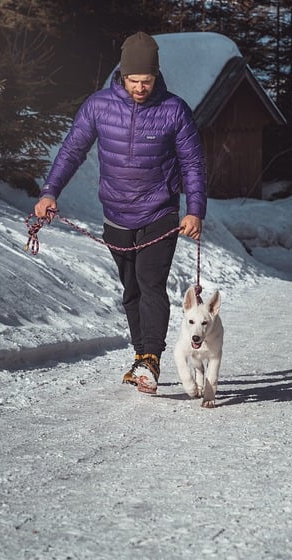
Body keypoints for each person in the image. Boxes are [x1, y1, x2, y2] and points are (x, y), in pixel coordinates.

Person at [34, 31, 207, 394]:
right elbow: (72, 150)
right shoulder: (98, 106)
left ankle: (150, 360)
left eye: (146, 81)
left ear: (156, 76)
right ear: (122, 75)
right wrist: (50, 192)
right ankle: (140, 355)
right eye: (133, 80)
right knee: (130, 290)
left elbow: (192, 162)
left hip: (159, 211)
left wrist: (194, 210)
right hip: (115, 214)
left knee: (150, 283)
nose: (140, 88)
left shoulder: (173, 110)